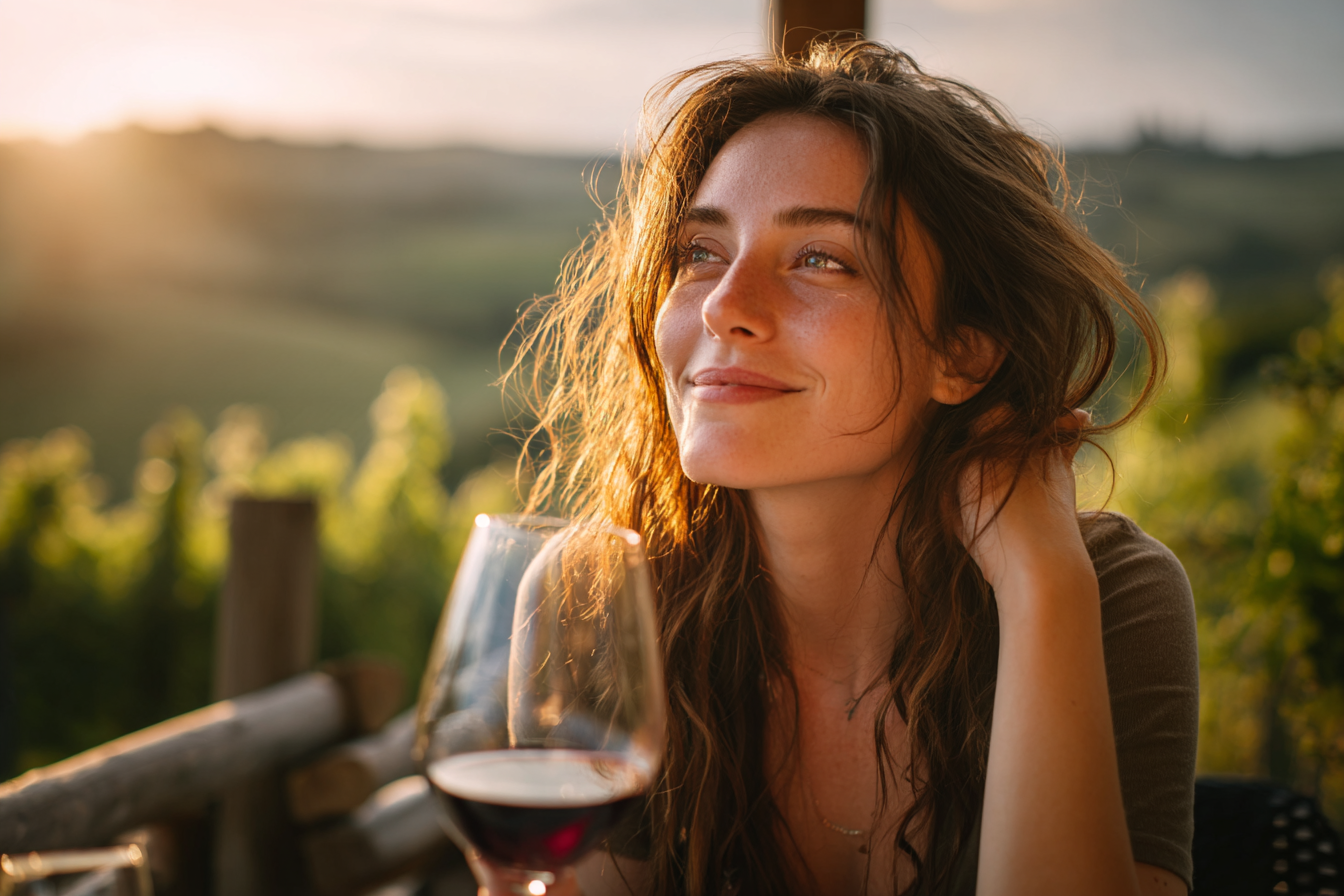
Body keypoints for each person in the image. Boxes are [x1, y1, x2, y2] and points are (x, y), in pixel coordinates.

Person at [501, 40, 1199, 896]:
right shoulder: (597, 602)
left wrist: (1040, 582)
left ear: (963, 353)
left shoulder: (1107, 593)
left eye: (821, 260)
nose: (724, 305)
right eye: (699, 253)